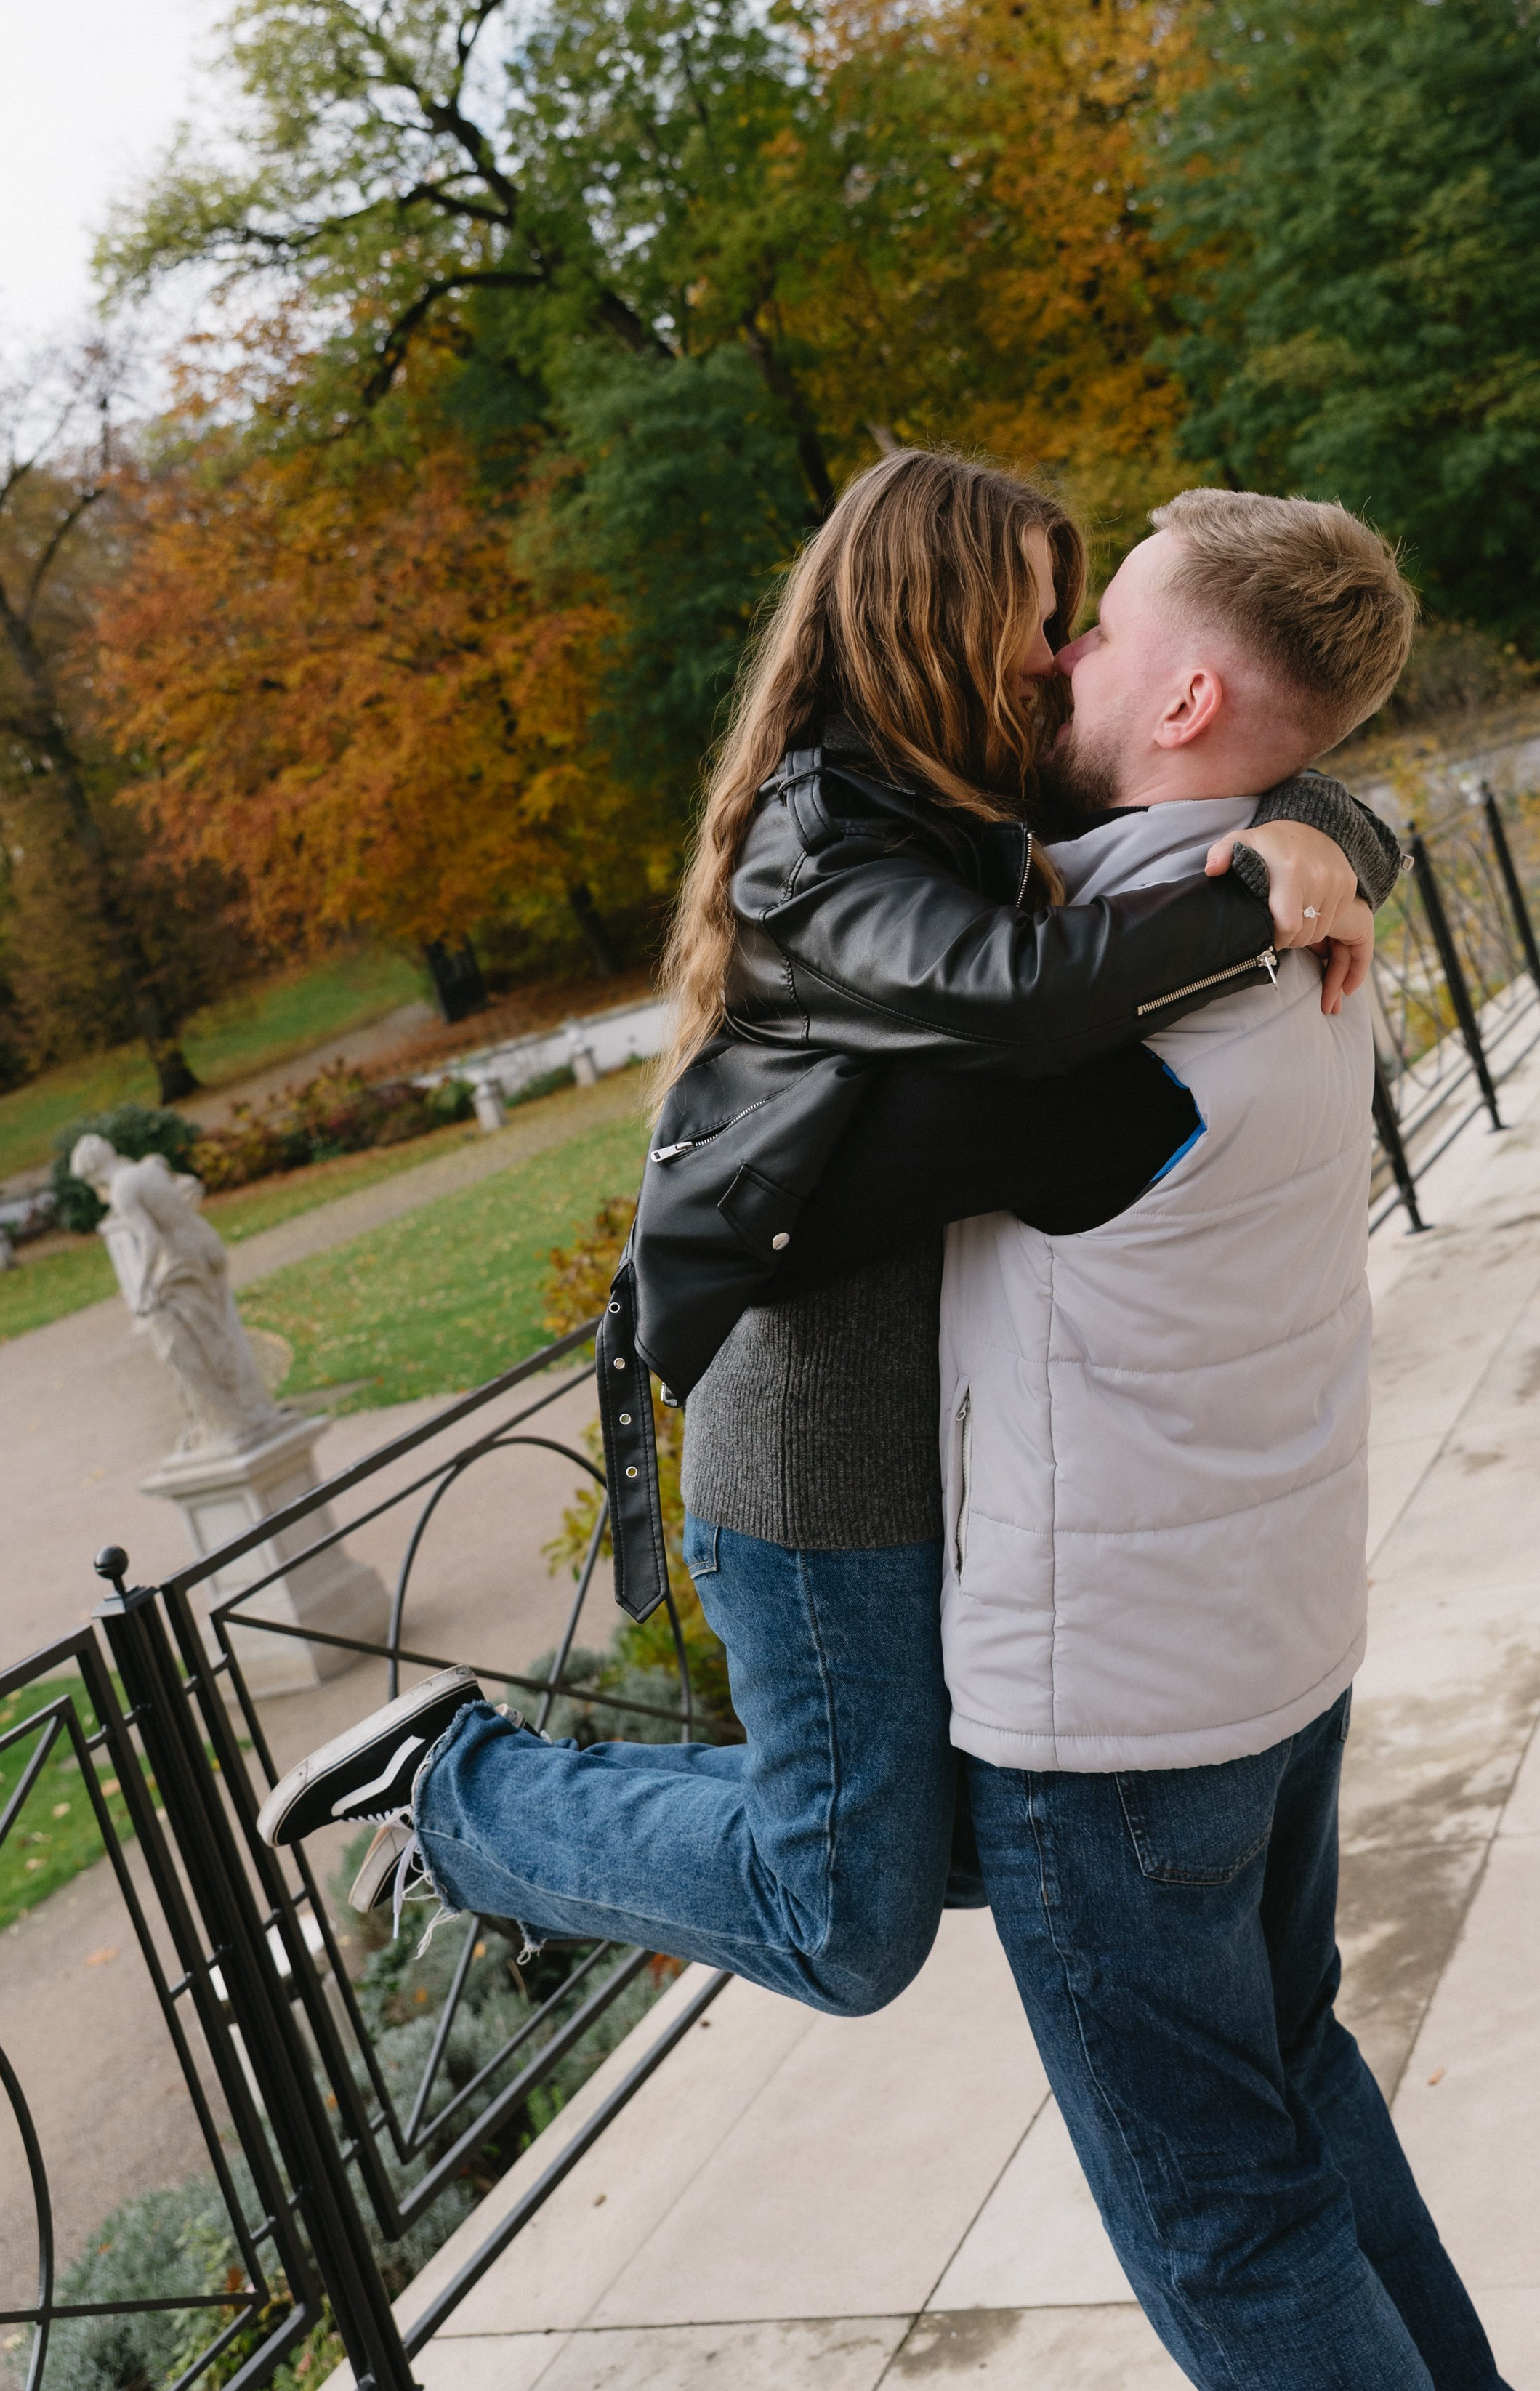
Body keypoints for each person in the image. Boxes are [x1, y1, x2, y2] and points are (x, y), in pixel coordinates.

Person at [257, 450, 1391, 1996]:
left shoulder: (981, 790)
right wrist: (1259, 888)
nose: (1062, 659)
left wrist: (1329, 836)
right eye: (1042, 621)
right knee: (847, 1925)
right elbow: (1025, 998)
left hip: (933, 1425)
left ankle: (504, 1798)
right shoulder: (830, 822)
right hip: (809, 1433)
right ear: (938, 620)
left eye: (1079, 624)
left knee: (1010, 1832)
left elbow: (1250, 747)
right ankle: (461, 1791)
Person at [936, 491, 1509, 2390]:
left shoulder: (1083, 958)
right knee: (1303, 2095)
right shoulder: (1292, 912)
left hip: (1111, 1710)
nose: (1058, 655)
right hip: (1271, 1648)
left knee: (1229, 2214)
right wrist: (1285, 820)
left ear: (1185, 695)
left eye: (1096, 628)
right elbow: (1354, 819)